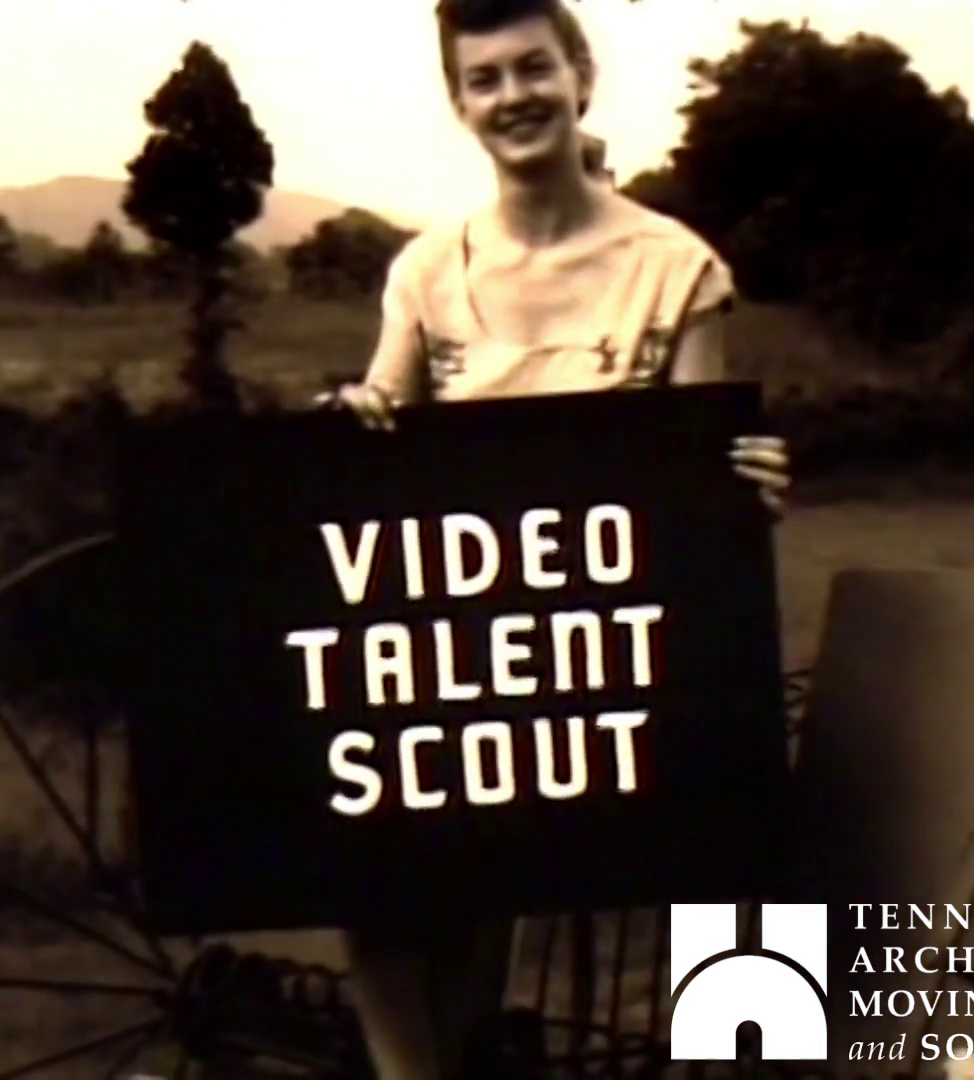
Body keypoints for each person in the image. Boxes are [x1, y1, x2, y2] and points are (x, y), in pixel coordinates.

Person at [319, 0, 790, 1075]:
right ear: (459, 103)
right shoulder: (426, 272)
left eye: (534, 67)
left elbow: (698, 477)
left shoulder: (676, 268)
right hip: (471, 666)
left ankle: (744, 1056)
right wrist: (354, 419)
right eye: (483, 79)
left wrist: (743, 490)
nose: (513, 97)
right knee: (375, 852)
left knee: (734, 820)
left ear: (581, 73)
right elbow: (378, 448)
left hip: (624, 663)